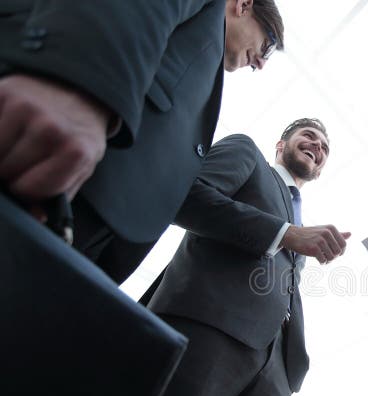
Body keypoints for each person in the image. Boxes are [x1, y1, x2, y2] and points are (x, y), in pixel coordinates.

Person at [73, 119, 349, 396]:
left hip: (274, 375)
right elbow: (185, 197)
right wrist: (283, 233)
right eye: (309, 136)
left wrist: (289, 370)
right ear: (281, 143)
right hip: (206, 331)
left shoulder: (300, 221)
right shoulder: (247, 154)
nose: (318, 145)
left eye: (325, 145)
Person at [0, 0, 285, 283]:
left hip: (93, 224)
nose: (260, 63)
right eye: (267, 46)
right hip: (65, 173)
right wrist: (81, 87)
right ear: (244, 5)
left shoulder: (205, 58)